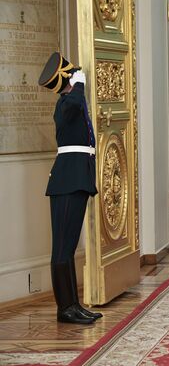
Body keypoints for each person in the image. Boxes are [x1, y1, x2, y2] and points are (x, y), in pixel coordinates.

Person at [38, 52, 102, 324]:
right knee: (62, 249)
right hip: (67, 181)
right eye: (72, 73)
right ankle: (64, 308)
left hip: (77, 177)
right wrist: (80, 84)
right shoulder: (66, 104)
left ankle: (73, 304)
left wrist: (78, 86)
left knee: (69, 247)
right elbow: (76, 103)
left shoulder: (72, 101)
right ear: (67, 79)